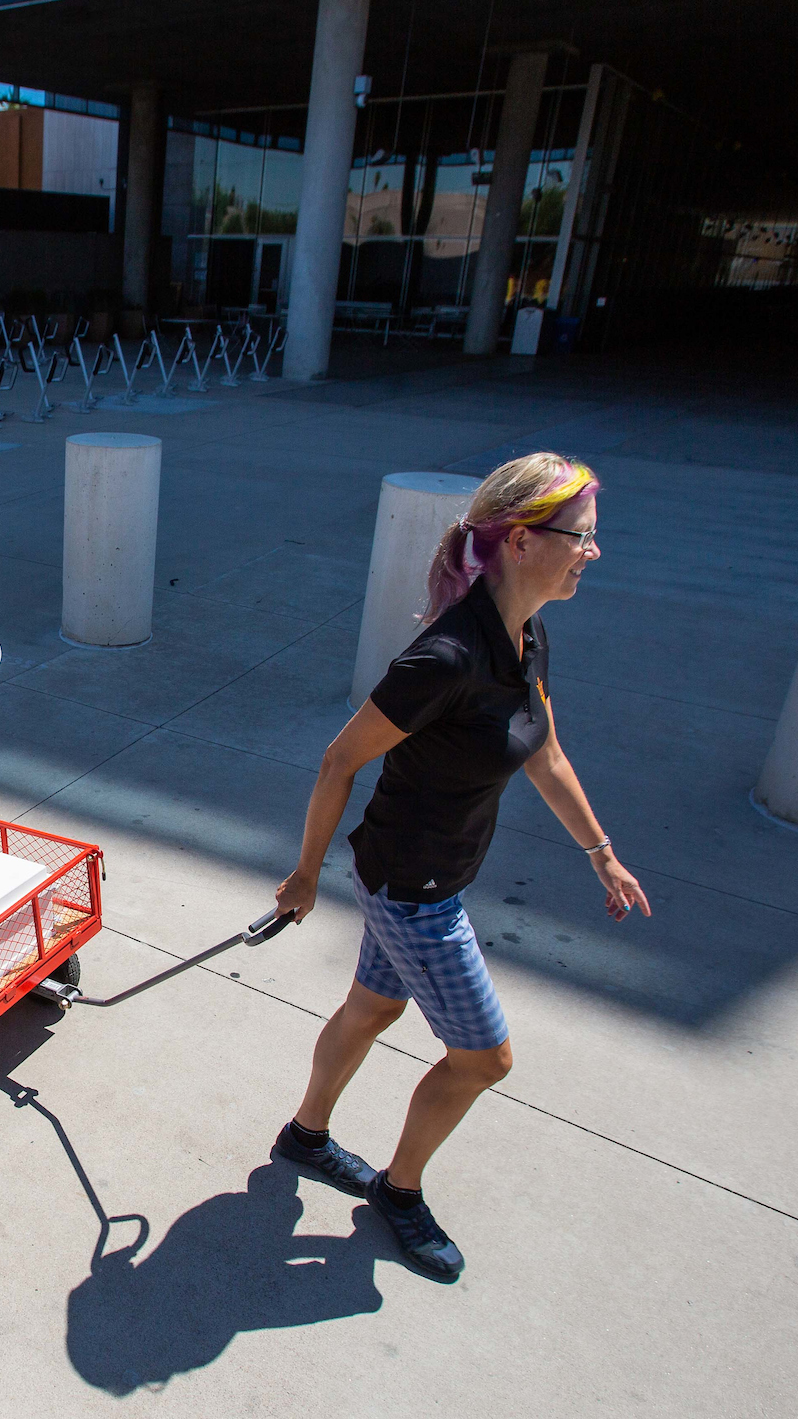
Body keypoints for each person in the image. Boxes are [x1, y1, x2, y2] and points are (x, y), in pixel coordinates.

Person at [266, 453, 650, 1282]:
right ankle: (399, 1194)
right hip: (414, 892)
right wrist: (304, 875)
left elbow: (542, 750)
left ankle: (303, 1137)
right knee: (485, 1059)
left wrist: (603, 854)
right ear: (519, 541)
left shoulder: (524, 635)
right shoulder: (445, 659)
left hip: (419, 875)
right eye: (579, 536)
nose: (592, 551)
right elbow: (339, 761)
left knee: (370, 1010)